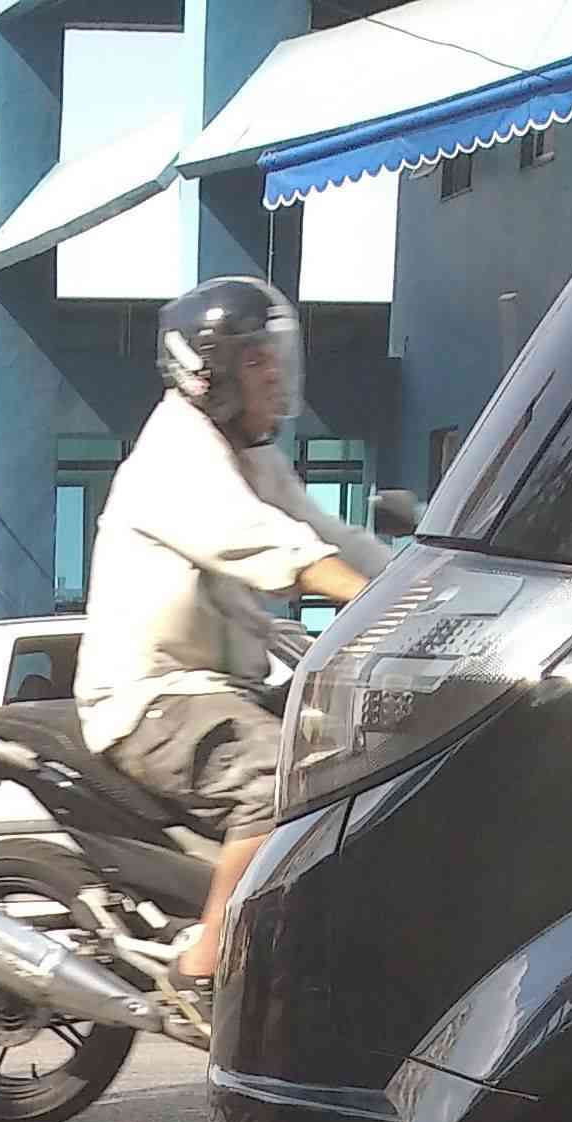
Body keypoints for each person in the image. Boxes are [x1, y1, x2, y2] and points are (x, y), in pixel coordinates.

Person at [73, 277, 385, 1043]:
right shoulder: (177, 455)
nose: (274, 374)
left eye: (275, 356)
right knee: (278, 779)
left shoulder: (255, 458)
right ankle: (205, 965)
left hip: (226, 684)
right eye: (255, 360)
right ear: (207, 374)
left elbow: (326, 533)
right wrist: (363, 594)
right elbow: (270, 546)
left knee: (356, 752)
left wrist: (420, 581)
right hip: (154, 696)